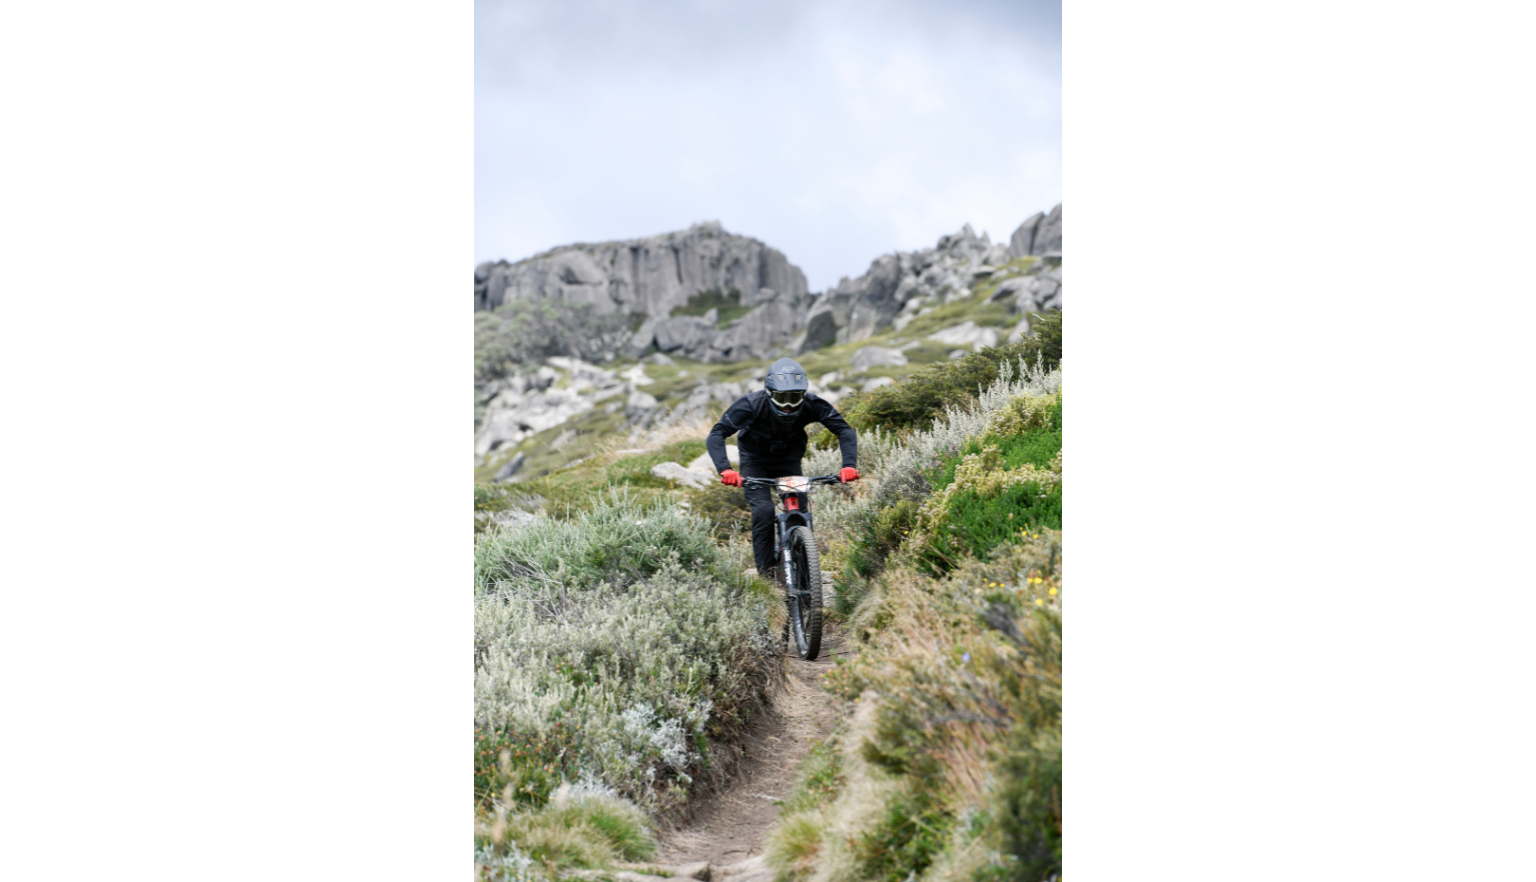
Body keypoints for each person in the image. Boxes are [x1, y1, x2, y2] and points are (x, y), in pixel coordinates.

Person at [706, 357, 859, 582]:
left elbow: (844, 431)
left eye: (795, 397)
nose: (788, 404)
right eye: (782, 397)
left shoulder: (813, 404)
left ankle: (805, 574)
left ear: (803, 394)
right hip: (754, 462)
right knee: (763, 511)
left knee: (799, 513)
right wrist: (725, 470)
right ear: (769, 392)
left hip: (789, 460)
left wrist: (848, 466)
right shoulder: (750, 404)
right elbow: (717, 433)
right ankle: (767, 577)